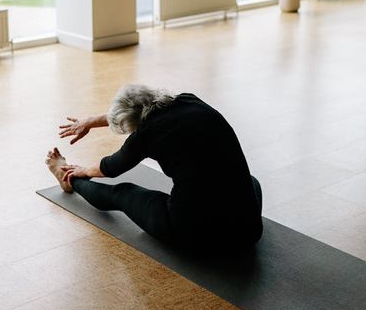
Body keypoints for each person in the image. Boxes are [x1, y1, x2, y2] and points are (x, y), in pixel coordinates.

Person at [45, 84, 263, 252]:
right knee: (246, 179)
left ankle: (69, 179)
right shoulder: (188, 100)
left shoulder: (146, 134)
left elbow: (110, 167)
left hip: (199, 235)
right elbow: (136, 111)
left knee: (123, 193)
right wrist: (92, 121)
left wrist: (82, 170)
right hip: (250, 230)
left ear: (131, 127)